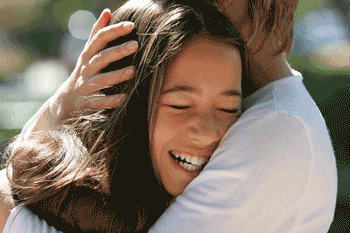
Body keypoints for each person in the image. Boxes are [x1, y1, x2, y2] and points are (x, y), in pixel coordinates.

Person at [2, 0, 338, 232]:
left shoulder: (277, 126)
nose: (209, 132)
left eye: (227, 109)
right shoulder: (78, 204)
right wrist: (63, 103)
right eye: (180, 105)